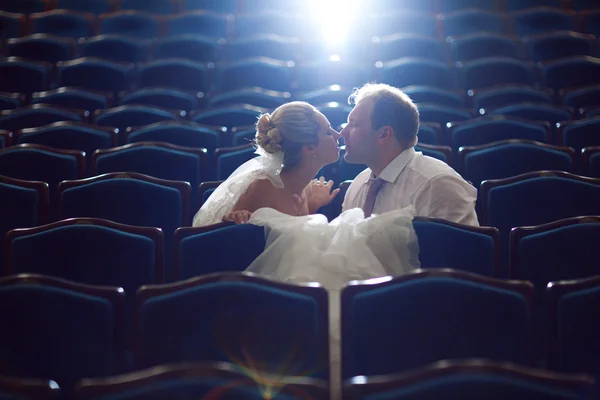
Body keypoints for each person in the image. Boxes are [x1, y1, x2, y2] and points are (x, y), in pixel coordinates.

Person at [341, 83, 479, 226]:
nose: (343, 133)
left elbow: (464, 248)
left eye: (354, 124)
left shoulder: (437, 184)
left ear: (384, 134)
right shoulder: (357, 185)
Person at [192, 101, 342, 227]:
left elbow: (295, 240)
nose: (338, 135)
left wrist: (313, 205)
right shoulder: (265, 188)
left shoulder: (306, 188)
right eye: (328, 132)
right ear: (309, 147)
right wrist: (238, 221)